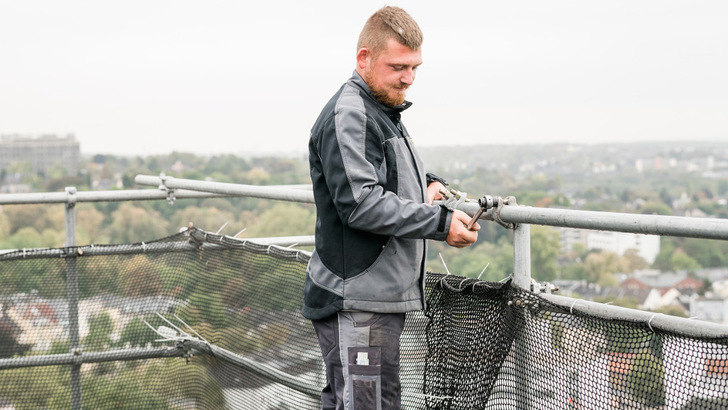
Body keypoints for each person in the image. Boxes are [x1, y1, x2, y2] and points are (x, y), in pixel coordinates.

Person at [302, 6, 479, 409]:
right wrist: (441, 222)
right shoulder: (352, 113)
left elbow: (382, 172)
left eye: (415, 67)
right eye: (398, 66)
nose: (409, 78)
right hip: (358, 301)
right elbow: (362, 204)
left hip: (370, 298)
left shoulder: (379, 107)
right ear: (364, 58)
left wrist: (427, 183)